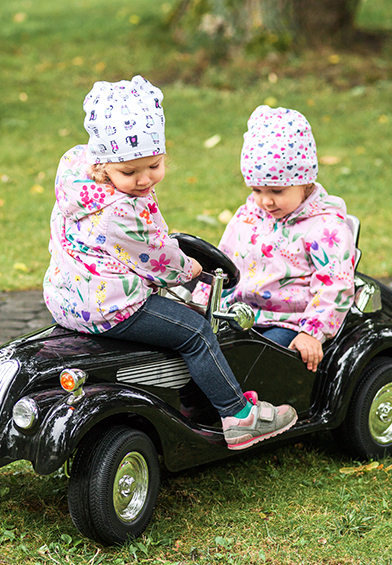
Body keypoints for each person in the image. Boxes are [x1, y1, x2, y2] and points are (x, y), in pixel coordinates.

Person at [43, 76, 297, 450]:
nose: (144, 179)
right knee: (195, 331)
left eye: (154, 166)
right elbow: (158, 259)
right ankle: (238, 415)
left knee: (171, 321)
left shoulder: (78, 184)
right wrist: (191, 269)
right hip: (113, 305)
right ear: (103, 166)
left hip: (66, 299)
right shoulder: (118, 211)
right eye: (130, 172)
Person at [211, 105, 356, 372]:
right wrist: (202, 302)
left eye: (277, 190)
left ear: (306, 182)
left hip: (289, 321)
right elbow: (222, 261)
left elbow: (336, 284)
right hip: (239, 315)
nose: (265, 201)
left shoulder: (325, 226)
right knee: (200, 352)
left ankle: (268, 411)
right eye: (257, 189)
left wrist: (312, 331)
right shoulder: (248, 216)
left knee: (258, 365)